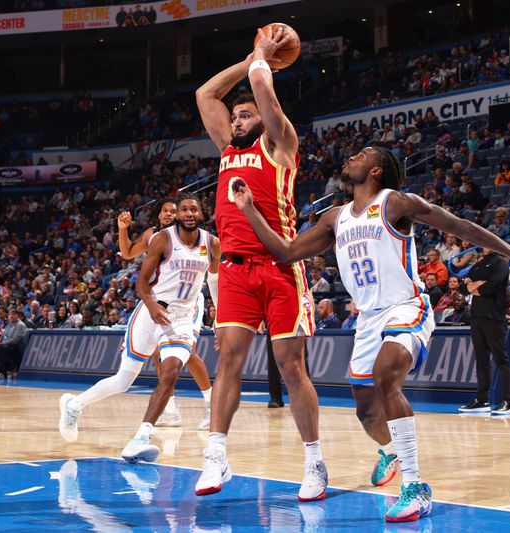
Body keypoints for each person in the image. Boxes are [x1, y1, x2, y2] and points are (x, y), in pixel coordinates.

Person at [233, 144, 510, 521]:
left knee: (387, 378)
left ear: (377, 171)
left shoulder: (396, 203)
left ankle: (416, 487)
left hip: (406, 306)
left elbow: (460, 226)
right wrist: (249, 208)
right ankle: (390, 450)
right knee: (366, 411)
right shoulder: (335, 218)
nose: (351, 155)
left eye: (363, 154)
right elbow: (286, 252)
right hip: (367, 319)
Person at [194, 27, 321, 500]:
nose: (239, 119)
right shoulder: (228, 150)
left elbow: (265, 92)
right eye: (237, 115)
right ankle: (215, 456)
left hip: (279, 267)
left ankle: (314, 462)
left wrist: (263, 64)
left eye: (246, 114)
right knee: (228, 359)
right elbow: (206, 93)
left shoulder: (280, 142)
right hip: (234, 271)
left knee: (291, 367)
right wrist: (251, 57)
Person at [61, 195, 220, 461]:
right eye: (182, 209)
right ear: (175, 215)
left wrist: (220, 315)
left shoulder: (212, 243)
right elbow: (141, 282)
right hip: (151, 310)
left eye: (194, 209)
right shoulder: (159, 238)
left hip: (182, 316)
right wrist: (151, 304)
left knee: (170, 372)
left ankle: (141, 437)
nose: (187, 213)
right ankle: (74, 405)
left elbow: (214, 280)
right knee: (124, 380)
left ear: (201, 214)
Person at [117, 198, 213, 428]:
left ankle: (211, 404)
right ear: (159, 216)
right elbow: (128, 252)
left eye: (173, 211)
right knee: (158, 355)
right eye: (166, 211)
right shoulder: (154, 235)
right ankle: (170, 410)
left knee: (187, 353)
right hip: (158, 299)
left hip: (188, 301)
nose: (170, 214)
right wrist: (123, 229)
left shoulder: (192, 237)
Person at [457, 247, 510, 414]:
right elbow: (462, 288)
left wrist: (473, 286)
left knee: (501, 359)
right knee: (481, 361)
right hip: (476, 317)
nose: (482, 244)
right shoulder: (478, 263)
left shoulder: (501, 263)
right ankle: (482, 400)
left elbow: (489, 287)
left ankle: (508, 401)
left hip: (494, 317)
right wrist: (474, 285)